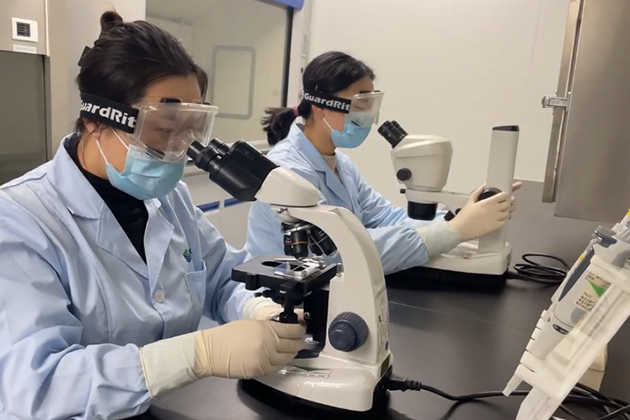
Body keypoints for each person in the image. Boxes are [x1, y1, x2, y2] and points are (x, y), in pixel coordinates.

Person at [0, 12, 304, 420]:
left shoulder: (171, 198)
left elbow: (220, 277)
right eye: (163, 129)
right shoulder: (19, 221)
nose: (179, 147)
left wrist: (258, 309)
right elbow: (38, 384)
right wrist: (196, 355)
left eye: (191, 128)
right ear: (95, 120)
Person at [245, 51, 520, 274]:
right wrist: (453, 232)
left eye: (371, 103)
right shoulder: (287, 171)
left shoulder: (342, 166)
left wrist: (458, 214)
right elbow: (331, 255)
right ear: (320, 105)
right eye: (360, 104)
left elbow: (385, 217)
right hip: (282, 300)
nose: (368, 116)